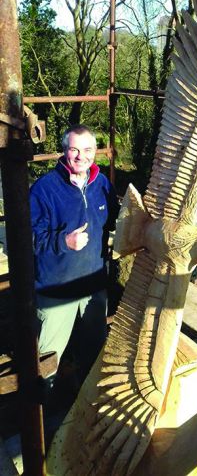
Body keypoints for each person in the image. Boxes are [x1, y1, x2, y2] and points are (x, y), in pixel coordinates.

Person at [30, 125, 119, 389]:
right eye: (74, 149)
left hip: (93, 287)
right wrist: (64, 241)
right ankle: (41, 419)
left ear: (96, 152)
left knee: (95, 353)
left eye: (88, 149)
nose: (82, 156)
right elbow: (27, 240)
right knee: (47, 361)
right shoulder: (43, 190)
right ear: (64, 151)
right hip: (57, 290)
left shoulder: (102, 184)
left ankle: (88, 407)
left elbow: (115, 220)